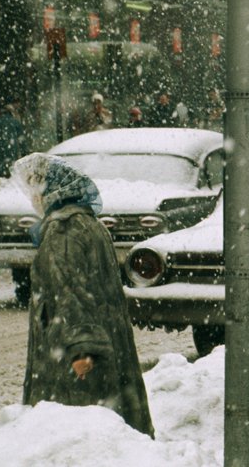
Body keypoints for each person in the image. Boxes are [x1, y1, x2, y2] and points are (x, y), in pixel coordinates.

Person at [11, 153, 154, 437]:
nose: (32, 199)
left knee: (78, 435)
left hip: (77, 357)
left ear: (50, 190)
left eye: (34, 191)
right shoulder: (90, 223)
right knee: (115, 430)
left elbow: (68, 292)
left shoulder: (63, 231)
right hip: (104, 343)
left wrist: (81, 350)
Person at [0, 102, 25, 182]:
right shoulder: (15, 122)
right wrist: (24, 151)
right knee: (11, 170)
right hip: (12, 149)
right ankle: (10, 181)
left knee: (0, 170)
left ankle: (0, 181)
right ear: (11, 112)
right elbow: (21, 139)